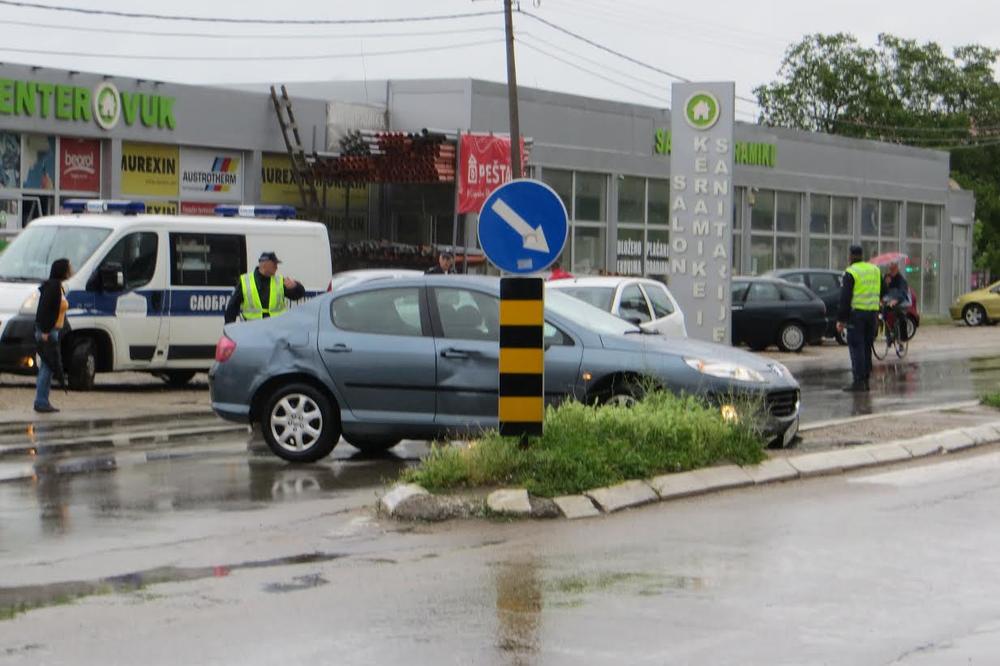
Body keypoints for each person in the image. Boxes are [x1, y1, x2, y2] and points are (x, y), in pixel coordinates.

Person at [835, 245, 885, 392]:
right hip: (872, 315)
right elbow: (883, 291)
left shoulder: (851, 272)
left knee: (856, 347)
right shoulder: (875, 270)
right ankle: (866, 380)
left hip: (856, 315)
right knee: (867, 347)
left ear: (850, 256)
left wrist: (841, 320)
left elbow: (845, 298)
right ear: (862, 255)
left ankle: (858, 382)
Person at [224, 252, 306, 324]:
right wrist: (229, 329)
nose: (277, 267)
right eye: (274, 264)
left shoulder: (280, 280)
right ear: (265, 264)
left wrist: (295, 286)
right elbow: (232, 307)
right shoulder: (245, 281)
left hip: (275, 329)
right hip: (252, 329)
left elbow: (298, 295)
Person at [34, 258, 71, 413]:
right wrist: (45, 331)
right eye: (69, 267)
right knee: (47, 368)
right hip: (48, 332)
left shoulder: (58, 287)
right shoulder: (53, 287)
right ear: (62, 270)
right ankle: (41, 401)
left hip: (53, 331)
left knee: (47, 366)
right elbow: (43, 310)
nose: (71, 270)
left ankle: (43, 400)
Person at [882, 261, 911, 340]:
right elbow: (883, 290)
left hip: (899, 301)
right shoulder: (886, 277)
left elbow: (903, 292)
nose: (891, 270)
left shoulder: (901, 279)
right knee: (883, 313)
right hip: (888, 300)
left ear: (897, 268)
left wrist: (896, 300)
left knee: (901, 314)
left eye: (893, 268)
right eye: (890, 268)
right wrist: (886, 284)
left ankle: (902, 338)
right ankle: (887, 333)